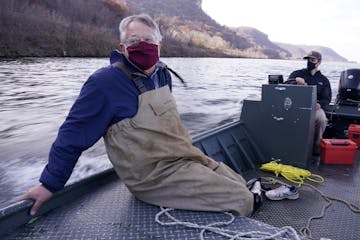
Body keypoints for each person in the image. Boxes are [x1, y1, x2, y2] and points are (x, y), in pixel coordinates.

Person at [20, 13, 262, 217]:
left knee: (236, 179)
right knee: (242, 199)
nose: (142, 44)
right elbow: (72, 136)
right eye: (134, 40)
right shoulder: (103, 83)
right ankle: (250, 199)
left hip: (182, 157)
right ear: (123, 48)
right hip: (152, 177)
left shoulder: (163, 74)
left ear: (159, 44)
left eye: (149, 39)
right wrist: (49, 185)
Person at [287, 51, 332, 156]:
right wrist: (294, 81)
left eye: (312, 60)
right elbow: (286, 86)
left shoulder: (324, 80)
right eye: (308, 60)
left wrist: (320, 105)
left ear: (319, 62)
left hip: (314, 107)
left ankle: (316, 148)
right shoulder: (296, 74)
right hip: (295, 106)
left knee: (322, 119)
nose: (309, 62)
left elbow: (327, 98)